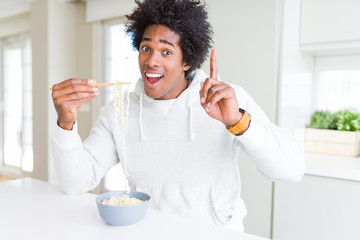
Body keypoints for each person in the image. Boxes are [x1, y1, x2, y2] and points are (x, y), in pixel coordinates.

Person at [51, 0, 304, 231]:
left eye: (167, 52)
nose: (151, 61)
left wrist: (237, 121)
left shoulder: (227, 100)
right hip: (149, 231)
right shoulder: (119, 110)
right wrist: (66, 122)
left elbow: (291, 170)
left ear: (187, 61)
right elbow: (76, 182)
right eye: (146, 48)